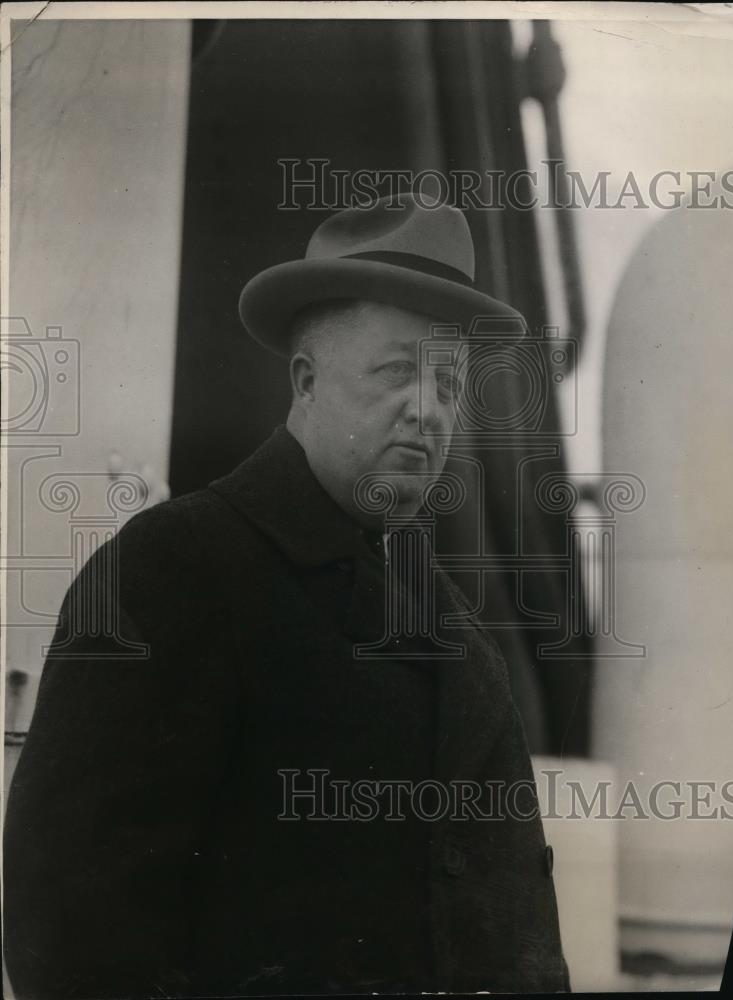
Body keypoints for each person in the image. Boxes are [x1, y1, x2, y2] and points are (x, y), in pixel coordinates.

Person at [4, 193, 570, 997]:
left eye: (449, 384)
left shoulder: (458, 635)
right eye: (396, 371)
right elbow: (71, 931)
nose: (428, 409)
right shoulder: (175, 572)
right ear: (306, 381)